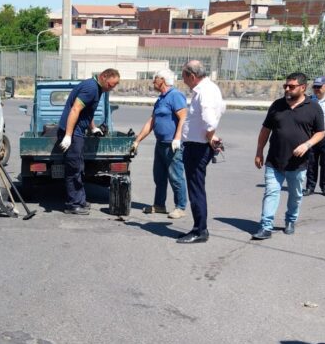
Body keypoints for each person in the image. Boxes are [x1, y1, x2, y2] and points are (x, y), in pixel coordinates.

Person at [252, 72, 325, 240]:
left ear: (303, 87)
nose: (287, 89)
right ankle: (265, 226)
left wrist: (307, 145)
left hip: (298, 163)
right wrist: (259, 151)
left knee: (295, 195)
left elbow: (321, 132)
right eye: (286, 85)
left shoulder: (313, 107)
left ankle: (291, 220)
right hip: (274, 160)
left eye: (291, 87)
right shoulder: (277, 105)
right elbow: (265, 130)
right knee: (271, 192)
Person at [57, 68, 121, 215]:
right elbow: (75, 110)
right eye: (111, 85)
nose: (112, 88)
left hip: (77, 132)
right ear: (104, 77)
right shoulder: (91, 88)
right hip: (73, 133)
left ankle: (79, 200)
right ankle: (73, 204)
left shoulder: (97, 89)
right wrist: (68, 135)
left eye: (114, 86)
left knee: (79, 167)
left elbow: (86, 111)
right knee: (73, 169)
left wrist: (93, 128)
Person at [176, 60, 225, 244]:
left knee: (196, 189)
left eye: (184, 76)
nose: (183, 80)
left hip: (198, 147)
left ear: (192, 76)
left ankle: (200, 230)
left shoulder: (204, 91)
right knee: (196, 188)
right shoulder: (209, 89)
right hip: (198, 144)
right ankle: (199, 227)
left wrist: (210, 135)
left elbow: (210, 121)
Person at [131, 69, 188, 219]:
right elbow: (152, 121)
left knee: (175, 177)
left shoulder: (175, 95)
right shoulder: (161, 99)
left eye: (155, 78)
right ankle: (159, 205)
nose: (153, 81)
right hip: (160, 144)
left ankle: (180, 207)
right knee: (159, 176)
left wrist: (177, 138)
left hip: (172, 144)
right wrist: (137, 141)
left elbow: (183, 117)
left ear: (162, 80)